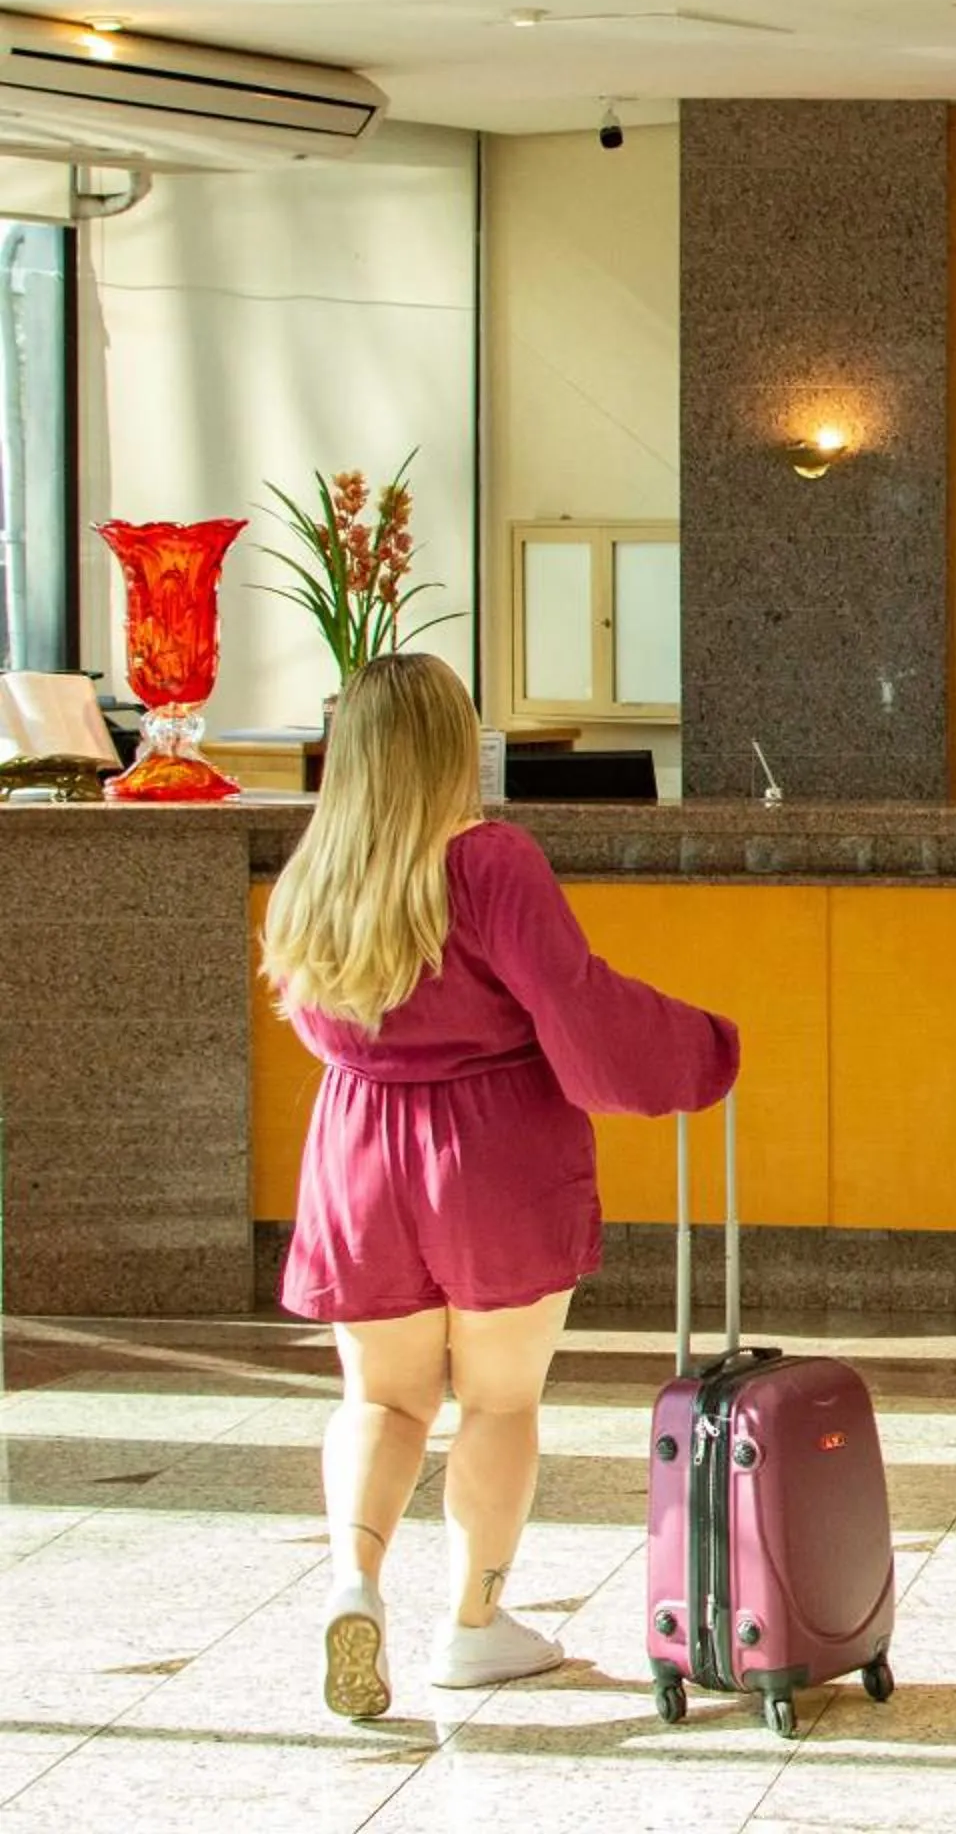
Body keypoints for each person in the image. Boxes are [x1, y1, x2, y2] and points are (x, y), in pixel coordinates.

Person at [261, 652, 738, 1720]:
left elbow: (310, 1016)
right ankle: (474, 1626)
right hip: (491, 1154)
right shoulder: (487, 861)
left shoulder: (315, 873)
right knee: (498, 1398)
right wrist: (701, 1047)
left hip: (357, 1151)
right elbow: (577, 1003)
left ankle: (355, 1580)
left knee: (380, 1398)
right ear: (451, 745)